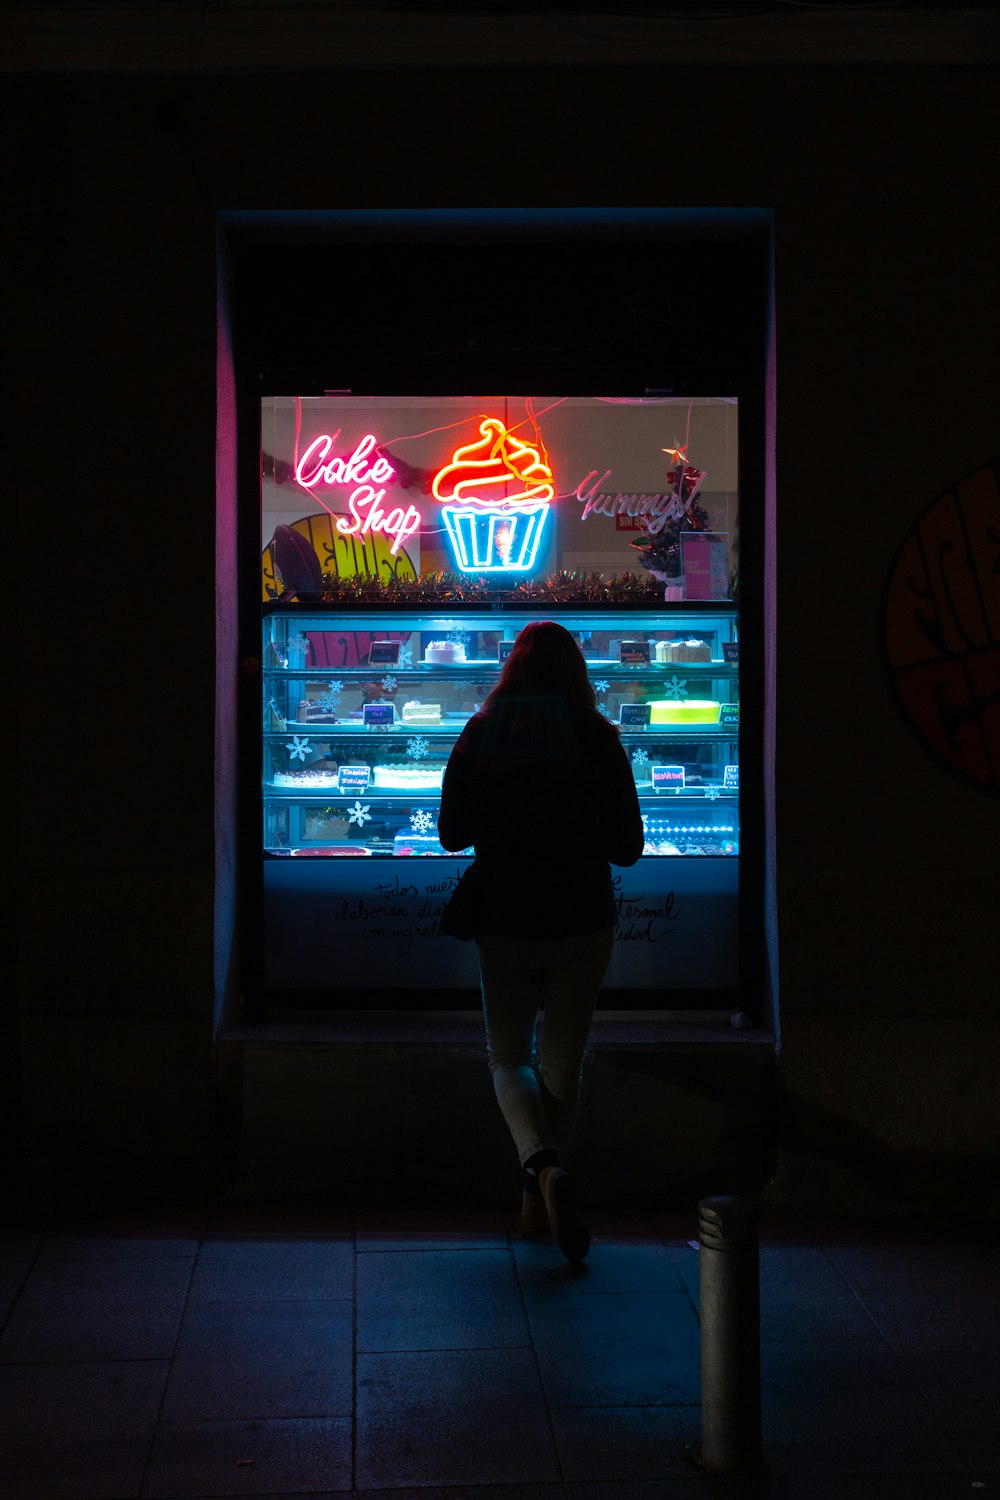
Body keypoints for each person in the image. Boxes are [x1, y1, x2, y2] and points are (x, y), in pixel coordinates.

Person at [438, 620, 644, 1262]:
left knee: (507, 1059)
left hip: (504, 914)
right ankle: (547, 1185)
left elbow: (450, 834)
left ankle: (539, 1176)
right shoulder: (598, 737)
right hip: (582, 914)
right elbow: (628, 847)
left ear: (512, 671)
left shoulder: (478, 734)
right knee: (561, 1061)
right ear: (576, 672)